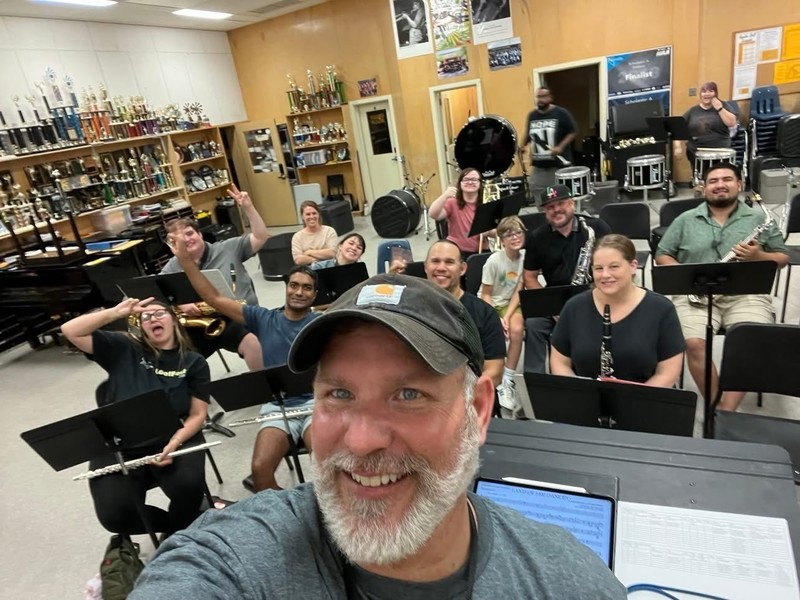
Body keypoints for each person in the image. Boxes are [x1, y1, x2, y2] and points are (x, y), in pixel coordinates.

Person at [130, 273, 626, 598]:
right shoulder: (232, 560)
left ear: (477, 410)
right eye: (339, 395)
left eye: (408, 395)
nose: (362, 441)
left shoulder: (569, 584)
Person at [171, 234, 319, 491]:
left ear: (315, 295)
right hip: (277, 407)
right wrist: (187, 264)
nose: (299, 292)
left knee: (327, 464)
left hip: (315, 405)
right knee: (260, 471)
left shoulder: (319, 324)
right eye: (294, 285)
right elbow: (214, 299)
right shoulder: (263, 318)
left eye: (307, 288)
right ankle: (290, 515)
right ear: (286, 287)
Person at [61, 298, 210, 537]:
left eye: (160, 313)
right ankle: (174, 529)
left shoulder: (194, 362)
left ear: (173, 319)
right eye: (146, 317)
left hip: (172, 436)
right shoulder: (122, 346)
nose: (153, 319)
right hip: (121, 444)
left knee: (188, 488)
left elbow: (198, 414)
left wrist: (175, 442)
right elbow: (70, 330)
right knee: (114, 515)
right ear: (141, 327)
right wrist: (115, 313)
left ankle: (180, 530)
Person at [655, 162, 788, 411]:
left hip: (746, 293)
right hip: (696, 292)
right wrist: (683, 277)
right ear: (703, 188)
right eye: (713, 181)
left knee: (750, 340)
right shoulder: (686, 219)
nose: (720, 185)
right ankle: (715, 406)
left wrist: (757, 257)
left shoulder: (758, 218)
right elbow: (663, 253)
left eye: (727, 179)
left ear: (739, 184)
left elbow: (782, 258)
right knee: (693, 343)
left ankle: (725, 413)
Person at [550, 234, 685, 385]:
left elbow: (667, 372)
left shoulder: (661, 309)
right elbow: (560, 362)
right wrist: (580, 394)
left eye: (614, 267)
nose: (605, 275)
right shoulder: (574, 307)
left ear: (633, 266)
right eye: (598, 268)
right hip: (586, 401)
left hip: (644, 401)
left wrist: (640, 401)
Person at [161, 184, 265, 371]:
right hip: (201, 324)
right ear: (171, 245)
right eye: (177, 239)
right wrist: (180, 304)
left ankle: (268, 387)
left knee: (253, 344)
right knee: (172, 354)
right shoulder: (171, 266)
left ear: (200, 234)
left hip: (238, 316)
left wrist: (248, 207)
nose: (186, 240)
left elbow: (260, 236)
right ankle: (193, 396)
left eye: (189, 233)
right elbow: (160, 294)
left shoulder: (227, 248)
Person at [522, 184, 611, 374]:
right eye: (550, 207)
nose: (556, 210)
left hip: (594, 295)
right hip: (556, 301)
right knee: (533, 323)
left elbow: (615, 262)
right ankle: (534, 381)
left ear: (572, 203)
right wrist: (552, 306)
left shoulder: (596, 227)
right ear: (545, 211)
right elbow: (529, 277)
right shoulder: (537, 237)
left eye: (560, 203)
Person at [425, 239, 505, 389]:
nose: (441, 267)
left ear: (462, 269)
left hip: (469, 397)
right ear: (426, 267)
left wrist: (458, 397)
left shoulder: (485, 313)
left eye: (449, 262)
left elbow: (495, 371)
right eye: (435, 261)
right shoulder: (410, 309)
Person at [479, 215, 526, 411]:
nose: (515, 237)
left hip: (510, 303)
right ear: (502, 239)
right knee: (492, 333)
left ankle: (507, 379)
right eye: (509, 234)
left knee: (517, 329)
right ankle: (492, 376)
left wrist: (506, 317)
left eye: (518, 232)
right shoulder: (493, 261)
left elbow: (518, 290)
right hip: (490, 303)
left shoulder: (525, 259)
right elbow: (486, 294)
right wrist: (497, 318)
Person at [520, 86, 577, 198]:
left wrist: (560, 147)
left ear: (550, 98)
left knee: (556, 196)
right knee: (536, 191)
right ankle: (542, 215)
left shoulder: (561, 113)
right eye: (538, 97)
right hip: (538, 166)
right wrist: (523, 145)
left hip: (557, 166)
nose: (540, 100)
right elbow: (529, 132)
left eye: (543, 96)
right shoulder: (532, 115)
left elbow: (573, 131)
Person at [673, 81, 739, 173]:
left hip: (720, 152)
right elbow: (677, 127)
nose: (707, 94)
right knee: (701, 180)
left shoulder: (724, 106)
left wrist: (720, 109)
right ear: (700, 94)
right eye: (704, 91)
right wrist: (677, 147)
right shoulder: (693, 111)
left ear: (716, 93)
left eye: (710, 91)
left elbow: (732, 123)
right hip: (696, 152)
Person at [428, 168, 488, 257]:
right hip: (457, 250)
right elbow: (433, 214)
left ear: (480, 184)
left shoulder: (486, 202)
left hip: (481, 250)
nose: (470, 182)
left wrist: (488, 232)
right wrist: (444, 195)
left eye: (474, 180)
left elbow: (496, 232)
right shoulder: (452, 202)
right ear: (460, 183)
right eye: (466, 179)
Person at [292, 200, 338, 266]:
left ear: (318, 214)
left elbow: (332, 253)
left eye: (314, 213)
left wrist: (308, 252)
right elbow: (298, 260)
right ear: (302, 216)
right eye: (308, 214)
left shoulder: (329, 231)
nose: (312, 217)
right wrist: (318, 261)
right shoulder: (297, 237)